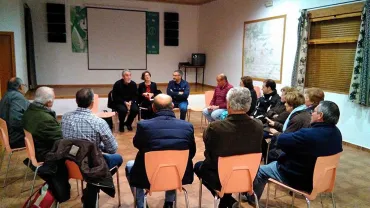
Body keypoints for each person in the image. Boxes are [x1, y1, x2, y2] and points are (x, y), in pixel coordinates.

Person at [244, 101, 343, 204]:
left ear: (320, 116)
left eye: (314, 111)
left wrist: (277, 134)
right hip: (322, 180)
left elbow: (282, 141)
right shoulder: (337, 134)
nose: (311, 114)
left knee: (259, 170)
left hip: (299, 179)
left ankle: (251, 200)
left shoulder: (308, 134)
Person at [194, 87, 263, 208]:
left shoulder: (215, 127)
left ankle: (226, 201)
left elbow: (209, 151)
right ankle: (228, 201)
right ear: (248, 106)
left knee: (199, 166)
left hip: (221, 177)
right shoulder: (258, 125)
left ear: (229, 105)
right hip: (248, 176)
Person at [125, 94, 196, 208]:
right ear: (172, 106)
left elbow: (137, 144)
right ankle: (169, 203)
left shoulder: (143, 125)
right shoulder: (187, 126)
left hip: (148, 176)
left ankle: (141, 204)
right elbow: (191, 153)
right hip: (179, 175)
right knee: (174, 163)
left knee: (129, 165)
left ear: (153, 107)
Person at [61, 88, 123, 169]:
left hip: (71, 163)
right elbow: (112, 149)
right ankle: (96, 181)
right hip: (92, 166)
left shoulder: (65, 117)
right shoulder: (99, 122)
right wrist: (99, 146)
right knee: (118, 158)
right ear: (92, 103)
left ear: (76, 101)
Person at [265, 91, 311, 162]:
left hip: (293, 152)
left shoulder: (297, 118)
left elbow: (287, 138)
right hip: (298, 148)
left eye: (286, 103)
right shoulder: (303, 113)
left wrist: (276, 133)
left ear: (291, 105)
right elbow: (290, 129)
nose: (285, 104)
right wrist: (276, 124)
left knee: (272, 152)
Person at [23, 87, 62, 162]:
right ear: (49, 102)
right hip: (45, 153)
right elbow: (60, 137)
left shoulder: (29, 110)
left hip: (37, 149)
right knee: (76, 149)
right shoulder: (45, 119)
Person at [0, 77, 30, 148]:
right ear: (20, 87)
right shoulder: (17, 97)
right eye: (24, 85)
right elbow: (15, 120)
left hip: (7, 136)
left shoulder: (6, 95)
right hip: (16, 138)